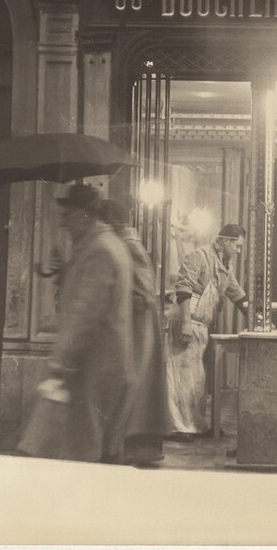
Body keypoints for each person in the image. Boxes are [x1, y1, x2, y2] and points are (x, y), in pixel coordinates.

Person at [18, 184, 136, 463]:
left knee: (84, 458)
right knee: (101, 455)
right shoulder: (105, 246)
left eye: (67, 214)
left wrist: (60, 364)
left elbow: (85, 314)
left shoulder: (98, 251)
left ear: (84, 214)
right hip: (108, 366)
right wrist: (65, 272)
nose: (62, 222)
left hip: (96, 369)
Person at [99, 195, 168, 465]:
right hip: (136, 323)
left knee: (138, 386)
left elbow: (147, 292)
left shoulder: (128, 244)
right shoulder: (126, 242)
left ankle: (138, 447)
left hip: (140, 326)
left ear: (114, 221)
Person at [166, 223, 248, 440]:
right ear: (225, 241)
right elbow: (184, 289)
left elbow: (238, 296)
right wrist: (185, 323)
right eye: (237, 246)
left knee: (196, 379)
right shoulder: (198, 256)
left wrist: (257, 316)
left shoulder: (225, 267)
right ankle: (179, 427)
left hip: (201, 327)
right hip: (185, 322)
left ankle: (196, 425)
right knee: (180, 377)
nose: (238, 251)